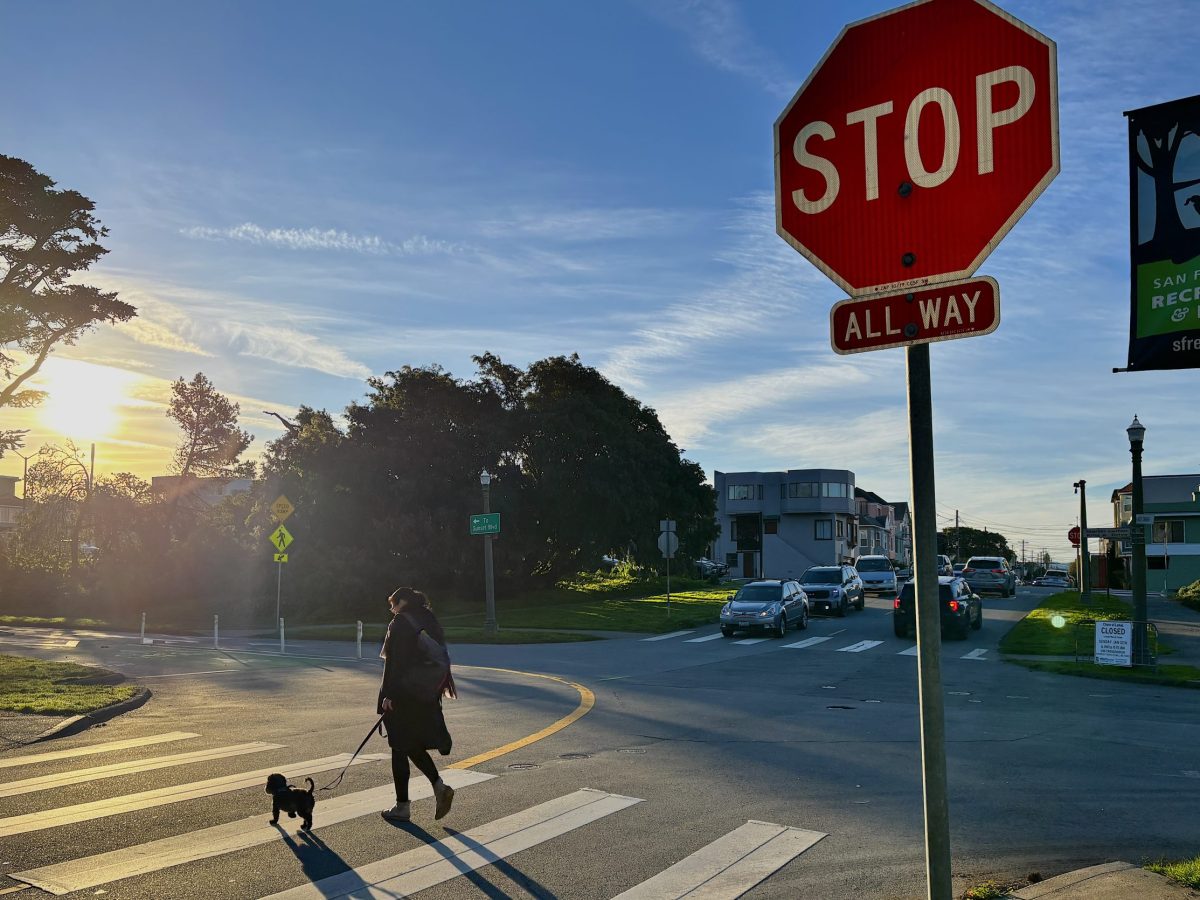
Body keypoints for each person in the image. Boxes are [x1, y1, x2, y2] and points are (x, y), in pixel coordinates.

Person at [378, 586, 455, 822]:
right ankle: (438, 786)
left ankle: (403, 806)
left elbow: (398, 663)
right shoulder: (428, 619)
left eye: (393, 604)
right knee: (409, 744)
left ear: (402, 602)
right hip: (427, 693)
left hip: (403, 694)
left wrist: (389, 695)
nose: (392, 609)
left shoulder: (401, 622)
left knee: (400, 746)